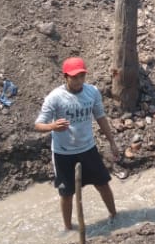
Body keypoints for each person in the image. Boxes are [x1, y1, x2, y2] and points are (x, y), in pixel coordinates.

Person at [34, 56, 121, 230]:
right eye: (74, 77)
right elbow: (38, 125)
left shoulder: (92, 92)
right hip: (63, 153)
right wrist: (52, 126)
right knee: (67, 194)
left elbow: (100, 117)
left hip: (88, 148)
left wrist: (112, 142)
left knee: (103, 184)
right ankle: (68, 228)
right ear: (65, 77)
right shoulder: (55, 97)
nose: (78, 81)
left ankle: (115, 216)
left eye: (81, 76)